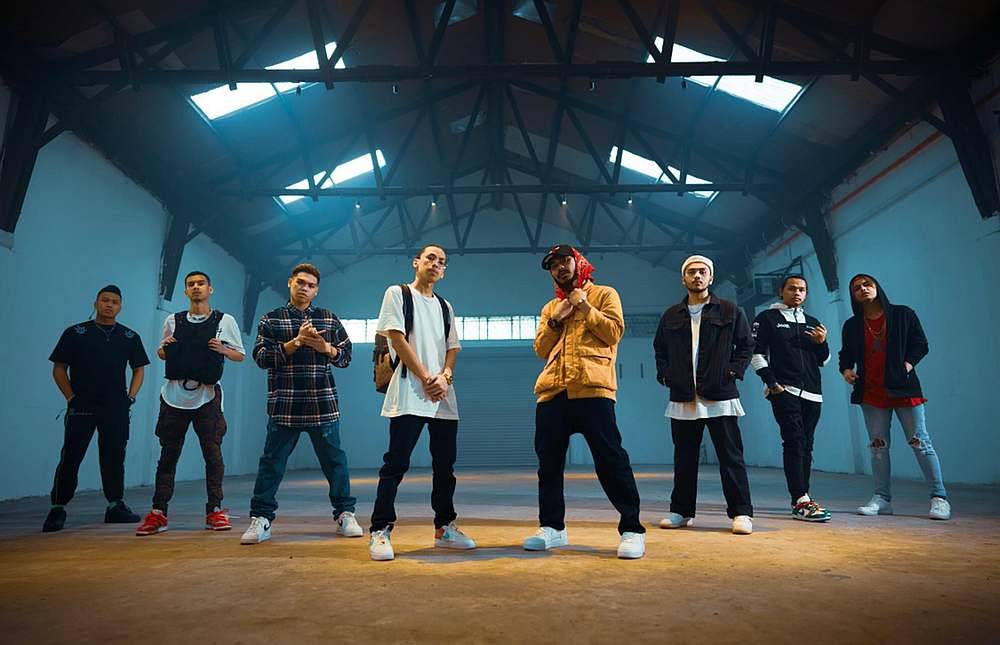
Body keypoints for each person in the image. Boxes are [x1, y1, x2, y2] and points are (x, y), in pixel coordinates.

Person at [524, 244, 646, 560]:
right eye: (554, 265)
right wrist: (556, 320)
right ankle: (553, 528)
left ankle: (632, 529)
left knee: (611, 460)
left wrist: (583, 305)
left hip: (593, 389)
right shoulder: (550, 308)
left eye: (565, 261)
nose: (560, 268)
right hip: (553, 391)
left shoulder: (605, 294)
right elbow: (540, 349)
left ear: (579, 262)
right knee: (548, 465)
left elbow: (614, 333)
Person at [368, 244, 476, 561]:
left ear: (444, 271)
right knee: (396, 464)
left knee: (445, 467)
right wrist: (427, 378)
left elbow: (453, 348)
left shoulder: (445, 306)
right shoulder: (398, 294)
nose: (436, 263)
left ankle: (444, 528)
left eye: (442, 261)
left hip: (443, 395)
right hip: (409, 392)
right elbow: (396, 338)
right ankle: (380, 530)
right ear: (416, 262)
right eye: (430, 257)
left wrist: (445, 377)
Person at [240, 263, 361, 544]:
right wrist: (295, 343)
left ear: (316, 291)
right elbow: (261, 358)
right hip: (285, 404)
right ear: (290, 283)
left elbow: (346, 356)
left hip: (322, 404)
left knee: (335, 463)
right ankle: (261, 519)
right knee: (272, 464)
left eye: (310, 285)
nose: (304, 288)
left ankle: (345, 513)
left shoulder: (328, 319)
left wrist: (324, 347)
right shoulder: (271, 319)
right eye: (300, 282)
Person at [136, 271, 245, 536]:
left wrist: (224, 350)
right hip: (174, 396)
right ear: (186, 291)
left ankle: (215, 510)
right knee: (168, 456)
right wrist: (164, 349)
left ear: (210, 289)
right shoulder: (172, 320)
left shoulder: (224, 321)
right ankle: (158, 512)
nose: (196, 287)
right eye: (191, 284)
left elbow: (240, 355)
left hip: (207, 396)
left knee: (213, 455)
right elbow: (161, 352)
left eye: (200, 283)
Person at [653, 255, 755, 535]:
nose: (697, 276)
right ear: (683, 278)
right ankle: (681, 511)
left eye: (702, 272)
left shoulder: (730, 311)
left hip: (720, 395)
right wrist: (665, 375)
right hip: (683, 397)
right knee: (684, 459)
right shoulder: (671, 315)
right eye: (691, 272)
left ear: (711, 277)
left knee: (731, 457)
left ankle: (741, 512)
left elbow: (746, 346)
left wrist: (732, 371)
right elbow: (660, 349)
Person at [839, 273, 950, 520]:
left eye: (867, 284)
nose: (863, 289)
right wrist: (846, 370)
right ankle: (882, 499)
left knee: (920, 443)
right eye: (857, 288)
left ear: (877, 287)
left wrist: (907, 366)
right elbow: (845, 354)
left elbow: (920, 344)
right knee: (878, 447)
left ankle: (939, 498)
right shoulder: (852, 325)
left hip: (904, 390)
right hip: (871, 393)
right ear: (853, 295)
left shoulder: (903, 314)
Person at [42, 285, 149, 532]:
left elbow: (139, 369)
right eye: (105, 300)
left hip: (116, 407)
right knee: (71, 456)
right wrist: (71, 397)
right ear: (96, 303)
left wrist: (130, 397)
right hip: (82, 406)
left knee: (114, 456)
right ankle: (58, 508)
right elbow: (59, 368)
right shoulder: (76, 333)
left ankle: (115, 506)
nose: (109, 305)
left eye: (114, 302)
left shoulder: (129, 336)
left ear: (120, 307)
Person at [750, 275, 832, 522]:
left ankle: (803, 496)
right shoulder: (767, 318)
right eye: (792, 288)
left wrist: (822, 343)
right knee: (794, 441)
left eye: (802, 289)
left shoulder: (813, 322)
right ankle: (800, 499)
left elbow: (824, 361)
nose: (797, 293)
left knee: (807, 445)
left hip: (813, 394)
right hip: (785, 390)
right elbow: (755, 354)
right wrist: (772, 384)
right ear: (781, 291)